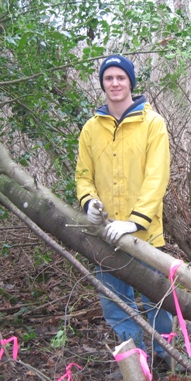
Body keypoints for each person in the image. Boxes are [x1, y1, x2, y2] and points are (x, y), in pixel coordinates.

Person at [75, 55, 173, 361]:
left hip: (145, 236)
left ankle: (169, 360)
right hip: (106, 236)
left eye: (120, 77)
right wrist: (89, 203)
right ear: (102, 83)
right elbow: (83, 176)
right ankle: (136, 363)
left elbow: (157, 178)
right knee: (115, 305)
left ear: (130, 82)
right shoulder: (91, 128)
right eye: (109, 78)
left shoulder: (153, 124)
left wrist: (134, 222)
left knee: (158, 303)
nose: (114, 83)